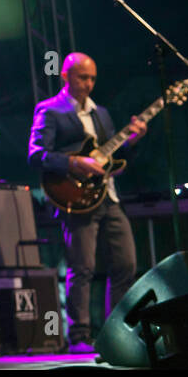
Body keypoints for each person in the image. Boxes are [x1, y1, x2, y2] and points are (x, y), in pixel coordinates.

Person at [28, 52, 147, 353]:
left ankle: (119, 331)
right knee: (82, 267)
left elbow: (114, 160)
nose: (89, 83)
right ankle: (79, 336)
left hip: (108, 196)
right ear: (65, 76)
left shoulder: (102, 114)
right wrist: (74, 162)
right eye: (83, 77)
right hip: (76, 197)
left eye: (93, 78)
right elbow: (37, 154)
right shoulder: (50, 110)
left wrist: (131, 142)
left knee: (126, 264)